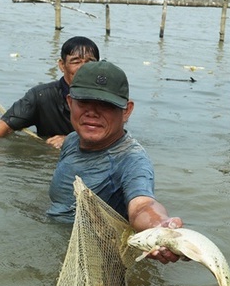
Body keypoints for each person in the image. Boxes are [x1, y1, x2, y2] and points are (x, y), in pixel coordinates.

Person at [47, 60, 182, 264]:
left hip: (99, 259)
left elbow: (142, 205)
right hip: (57, 244)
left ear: (126, 110)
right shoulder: (72, 140)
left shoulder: (131, 159)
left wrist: (160, 226)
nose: (92, 112)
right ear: (69, 102)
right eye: (84, 102)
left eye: (105, 105)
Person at [0, 36, 100, 147]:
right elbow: (3, 127)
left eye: (90, 62)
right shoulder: (41, 96)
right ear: (62, 65)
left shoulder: (107, 98)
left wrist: (71, 140)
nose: (83, 68)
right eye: (76, 62)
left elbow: (114, 136)